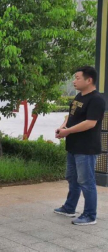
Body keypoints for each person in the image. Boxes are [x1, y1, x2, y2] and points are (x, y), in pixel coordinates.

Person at [54, 66, 105, 225]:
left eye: (77, 78)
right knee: (72, 178)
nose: (74, 81)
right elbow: (70, 116)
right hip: (73, 146)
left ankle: (90, 215)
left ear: (89, 80)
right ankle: (69, 208)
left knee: (86, 181)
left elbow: (90, 123)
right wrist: (63, 127)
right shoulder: (79, 96)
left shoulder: (96, 99)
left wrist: (67, 131)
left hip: (86, 148)